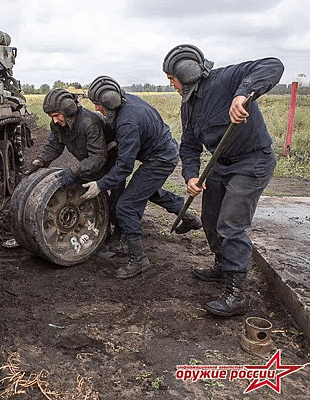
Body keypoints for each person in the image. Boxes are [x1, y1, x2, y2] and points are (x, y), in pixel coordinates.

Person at [162, 44, 284, 316]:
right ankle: (222, 264)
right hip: (222, 163)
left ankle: (237, 294)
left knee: (231, 224)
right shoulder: (189, 106)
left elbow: (272, 64)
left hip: (253, 160)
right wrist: (191, 175)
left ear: (187, 71)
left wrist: (242, 95)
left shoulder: (226, 79)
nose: (170, 83)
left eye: (172, 77)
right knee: (210, 217)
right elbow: (189, 146)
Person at [81, 76, 202, 279]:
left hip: (161, 158)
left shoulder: (128, 121)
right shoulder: (124, 102)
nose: (97, 109)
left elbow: (125, 166)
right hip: (161, 151)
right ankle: (189, 217)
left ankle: (139, 259)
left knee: (126, 205)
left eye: (98, 105)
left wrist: (100, 184)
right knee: (147, 192)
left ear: (110, 101)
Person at [23, 88, 114, 184]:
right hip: (90, 164)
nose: (54, 120)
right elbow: (54, 146)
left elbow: (98, 157)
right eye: (51, 117)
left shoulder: (89, 123)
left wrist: (73, 171)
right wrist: (39, 161)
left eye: (57, 115)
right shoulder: (58, 124)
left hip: (111, 164)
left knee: (114, 195)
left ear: (68, 111)